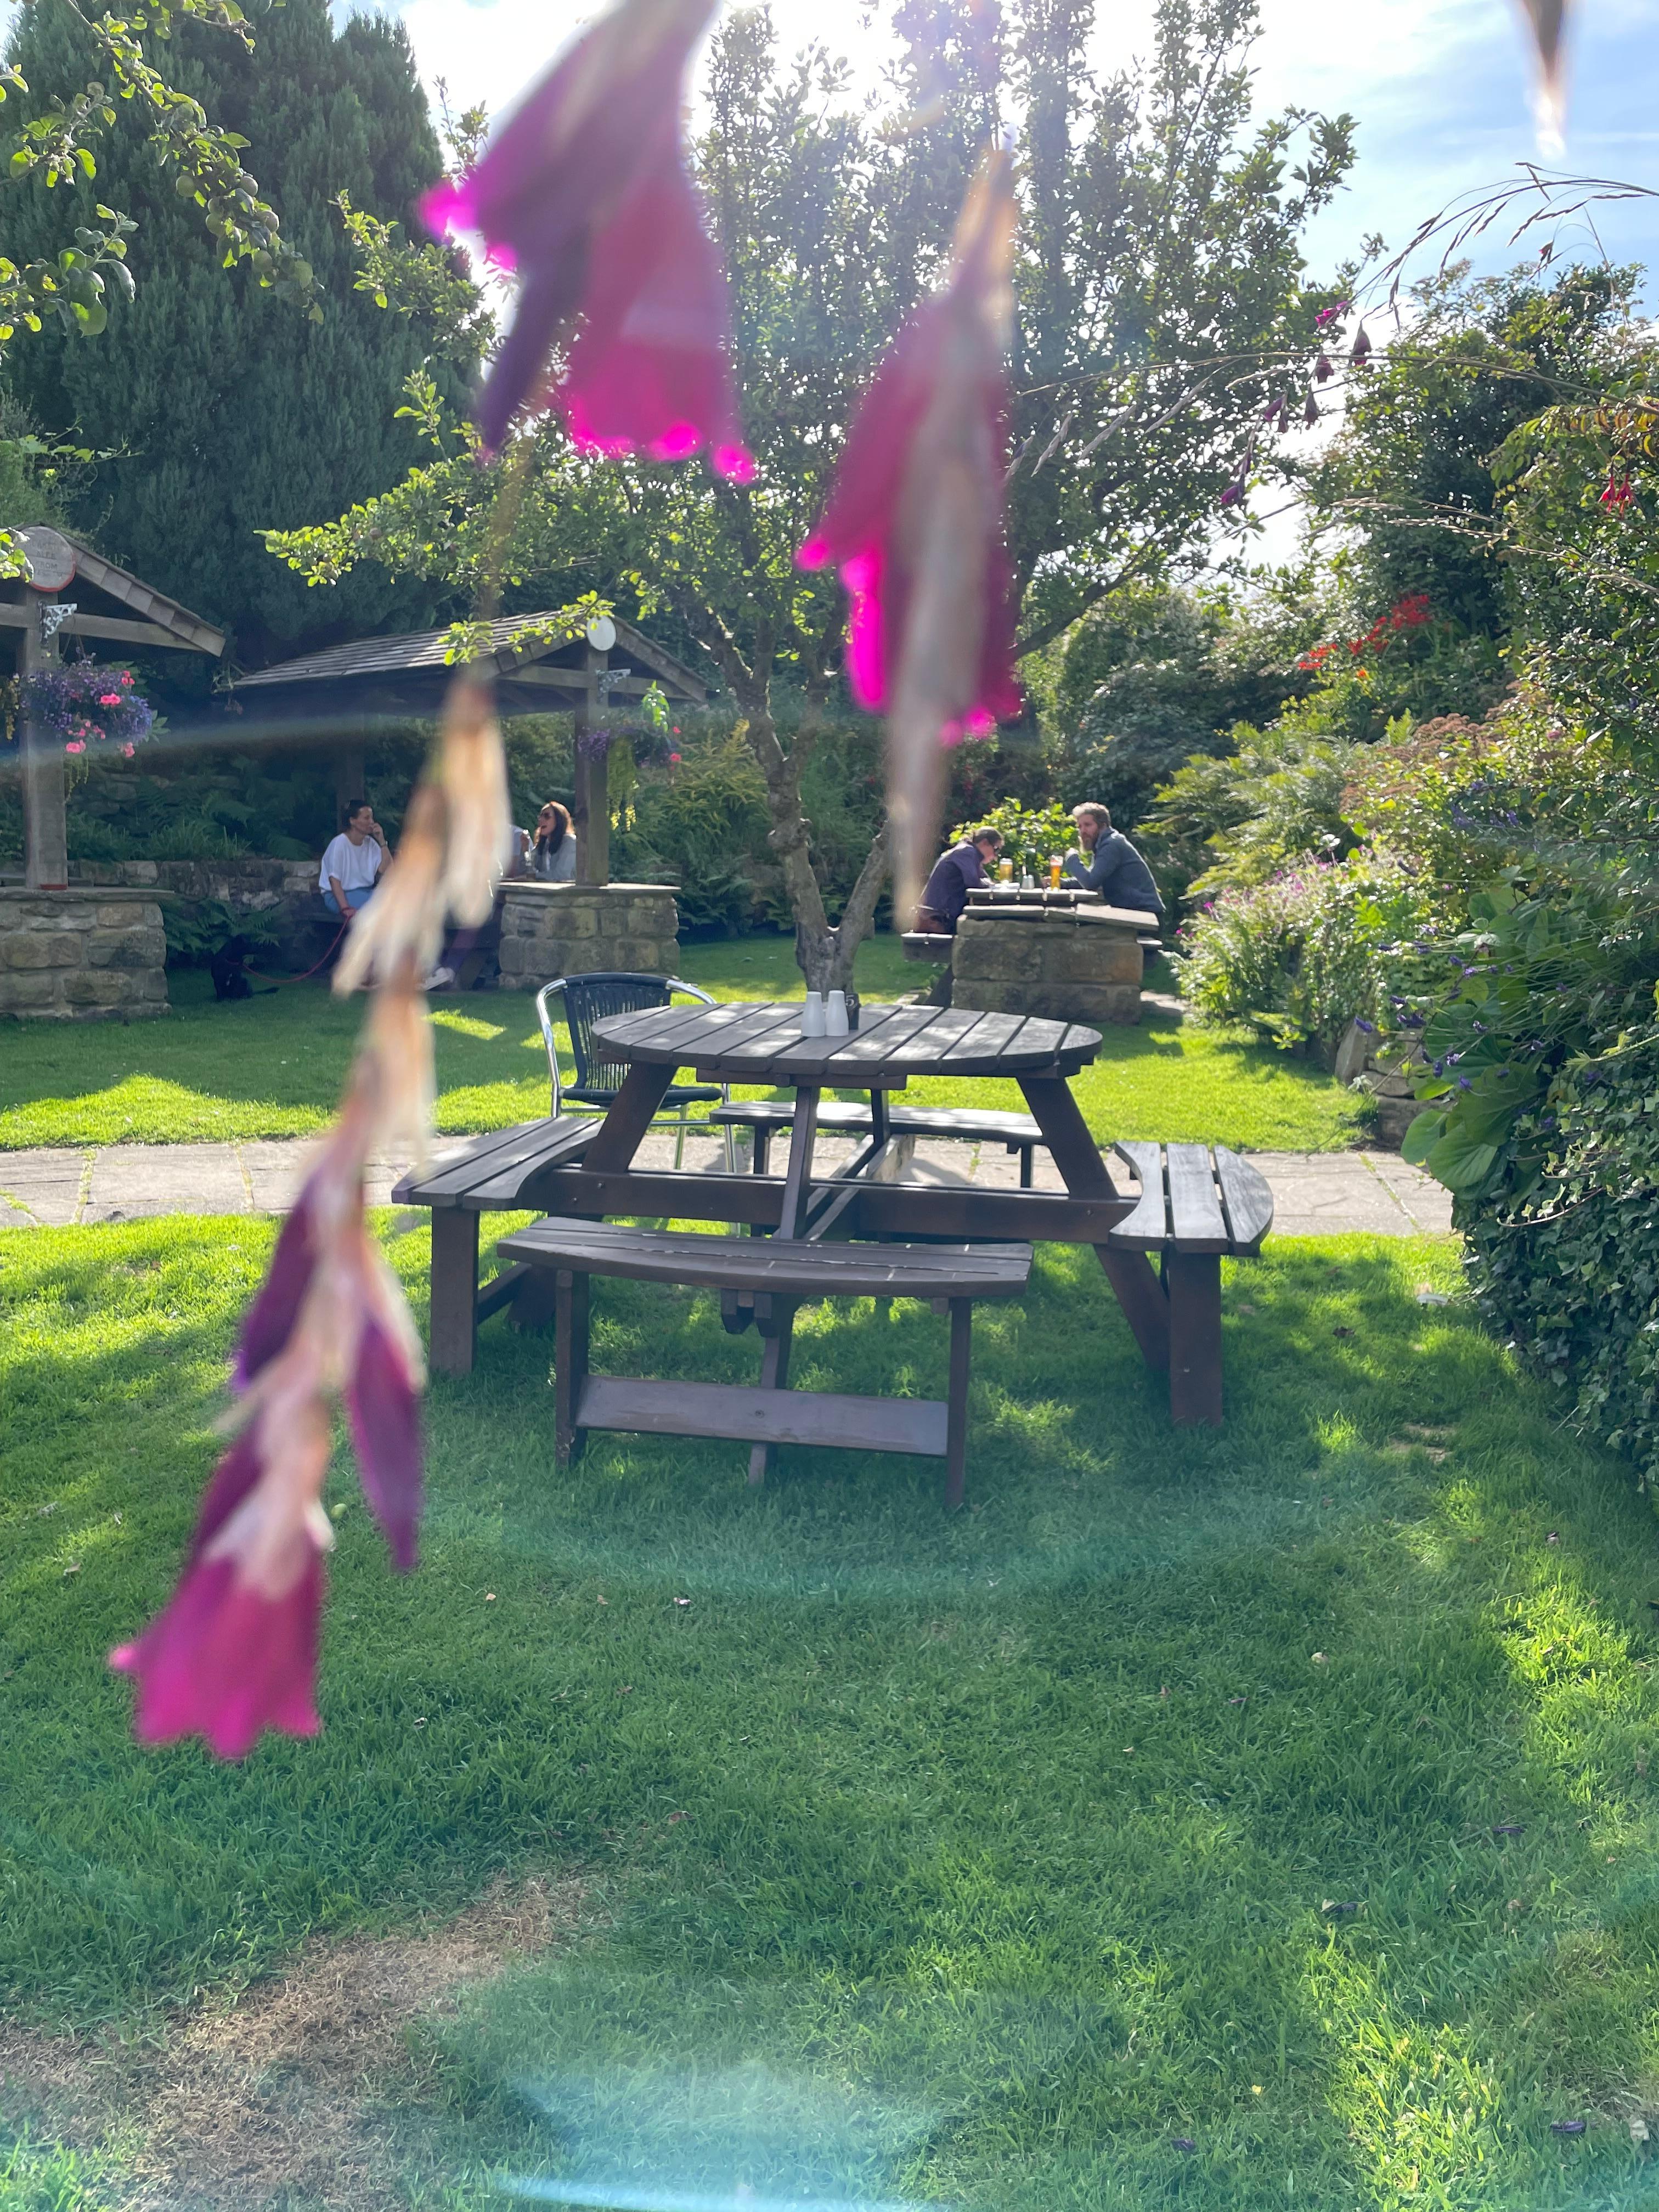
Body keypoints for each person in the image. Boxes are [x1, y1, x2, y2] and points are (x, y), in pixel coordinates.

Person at [1063, 803, 1164, 919]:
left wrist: (1072, 859)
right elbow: (1093, 877)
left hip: (1146, 914)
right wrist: (1062, 883)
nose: (1083, 831)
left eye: (1088, 825)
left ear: (1103, 826)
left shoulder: (1111, 845)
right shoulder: (1103, 845)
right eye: (1080, 827)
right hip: (1136, 912)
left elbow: (1090, 883)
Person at [915, 825, 1003, 934]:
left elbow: (985, 880)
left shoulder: (969, 853)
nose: (996, 857)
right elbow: (974, 883)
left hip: (937, 917)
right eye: (996, 850)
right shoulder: (967, 853)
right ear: (984, 842)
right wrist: (989, 884)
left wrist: (988, 884)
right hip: (938, 920)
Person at [319, 798, 388, 921]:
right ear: (352, 821)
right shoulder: (339, 843)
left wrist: (382, 842)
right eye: (367, 818)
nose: (372, 822)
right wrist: (345, 908)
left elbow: (387, 870)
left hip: (364, 893)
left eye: (372, 818)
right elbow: (334, 880)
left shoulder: (371, 844)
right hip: (338, 896)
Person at [528, 799, 577, 882]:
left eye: (547, 816)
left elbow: (561, 875)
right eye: (541, 816)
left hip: (569, 893)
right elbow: (526, 870)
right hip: (546, 892)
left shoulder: (570, 842)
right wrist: (525, 848)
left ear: (559, 820)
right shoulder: (544, 844)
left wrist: (534, 876)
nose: (541, 820)